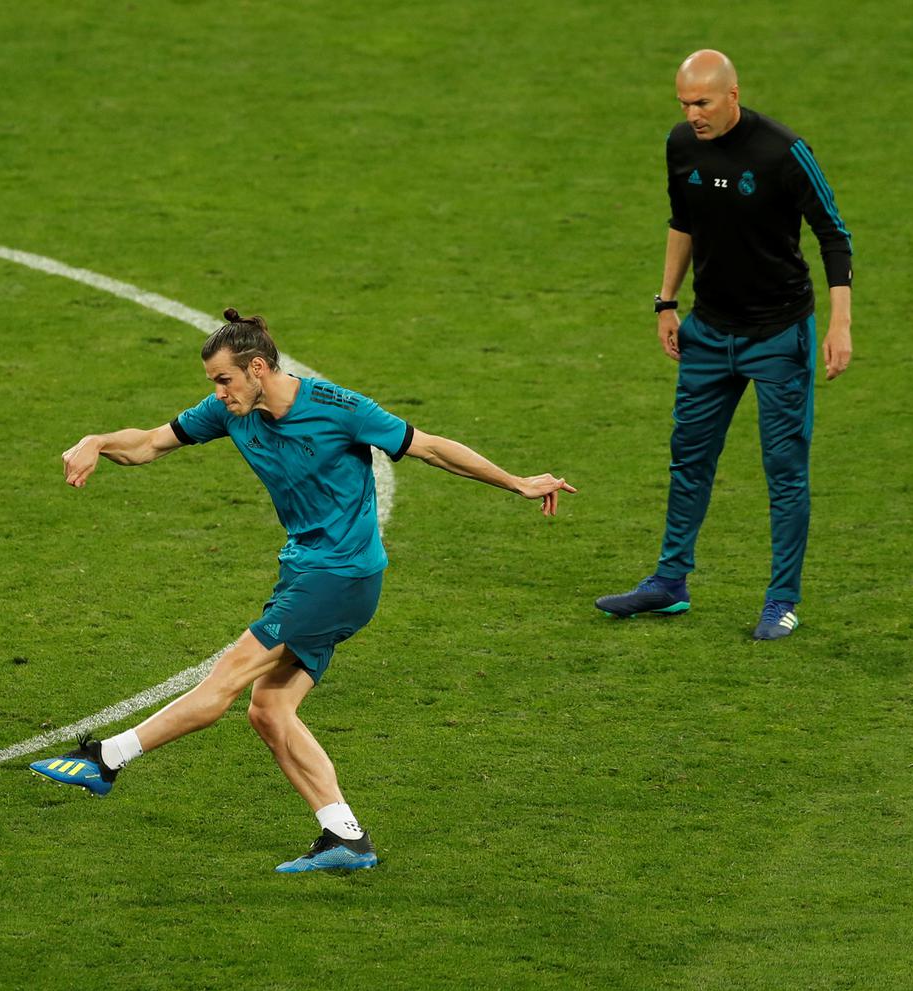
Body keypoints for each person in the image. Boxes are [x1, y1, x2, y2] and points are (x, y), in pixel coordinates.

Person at [30, 310, 574, 872]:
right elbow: (148, 443)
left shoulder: (340, 409)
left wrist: (515, 482)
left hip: (341, 576)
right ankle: (345, 838)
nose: (217, 393)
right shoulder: (230, 412)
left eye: (224, 380)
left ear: (257, 369)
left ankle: (106, 758)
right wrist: (96, 442)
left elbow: (431, 448)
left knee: (228, 676)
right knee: (269, 710)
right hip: (306, 571)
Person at [595, 49, 853, 639]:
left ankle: (782, 600)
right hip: (708, 333)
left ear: (732, 95)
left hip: (778, 335)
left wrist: (839, 325)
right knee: (688, 459)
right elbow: (682, 222)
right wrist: (666, 302)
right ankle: (669, 582)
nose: (693, 115)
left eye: (703, 103)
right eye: (684, 103)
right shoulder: (681, 145)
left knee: (784, 473)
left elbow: (834, 236)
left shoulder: (784, 152)